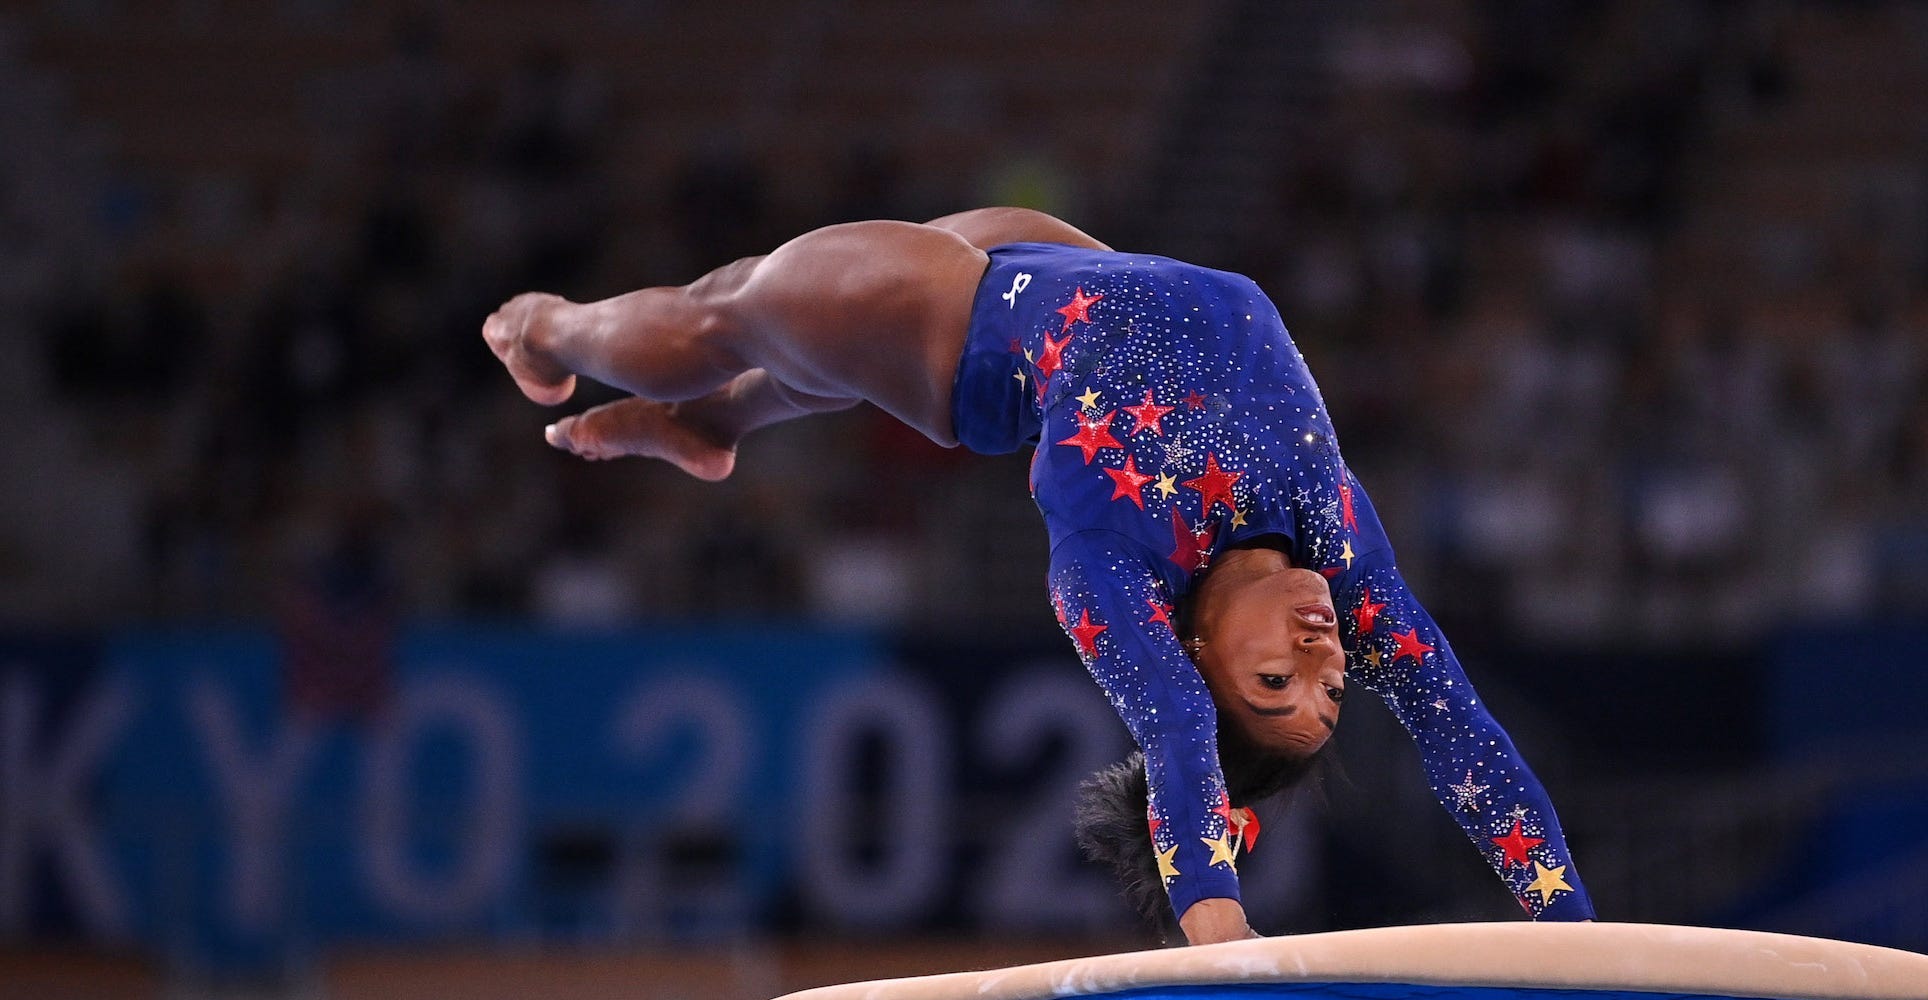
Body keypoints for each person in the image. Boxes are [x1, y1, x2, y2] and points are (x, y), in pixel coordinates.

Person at [483, 209, 1595, 944]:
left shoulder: (1111, 567)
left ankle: (550, 329)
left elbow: (1174, 735)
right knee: (794, 343)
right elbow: (1461, 736)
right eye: (1328, 689)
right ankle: (714, 427)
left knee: (718, 312)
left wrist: (1214, 920)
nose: (1319, 658)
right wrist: (1575, 936)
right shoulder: (1340, 554)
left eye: (1275, 688)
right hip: (1070, 267)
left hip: (950, 323)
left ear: (1200, 656)